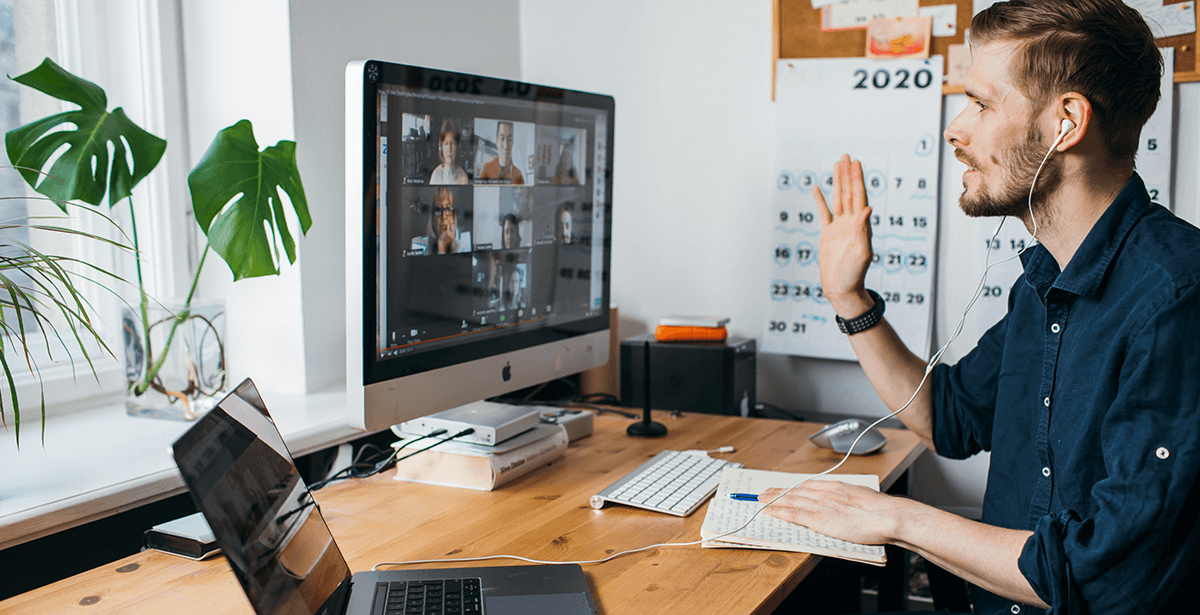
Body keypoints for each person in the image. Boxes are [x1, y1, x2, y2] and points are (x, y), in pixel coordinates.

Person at [762, 2, 1200, 614]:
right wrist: (849, 298)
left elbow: (1103, 575)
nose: (955, 130)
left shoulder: (1176, 297)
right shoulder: (1042, 283)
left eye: (982, 104)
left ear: (1066, 122)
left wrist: (897, 520)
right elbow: (948, 416)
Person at [412, 187, 469, 254]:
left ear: (453, 217)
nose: (444, 216)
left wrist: (444, 246)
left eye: (448, 209)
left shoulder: (463, 248)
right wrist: (441, 246)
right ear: (433, 219)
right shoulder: (421, 248)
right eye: (438, 210)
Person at [429, 119, 468, 185]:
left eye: (452, 143)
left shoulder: (463, 176)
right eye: (446, 144)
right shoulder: (436, 175)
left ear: (457, 147)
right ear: (441, 148)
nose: (449, 149)